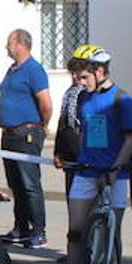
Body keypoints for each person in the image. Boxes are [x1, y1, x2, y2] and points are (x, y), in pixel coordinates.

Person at [60, 46, 132, 264]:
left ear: (101, 71)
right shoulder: (83, 98)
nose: (79, 82)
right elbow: (84, 131)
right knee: (75, 231)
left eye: (84, 77)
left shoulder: (122, 99)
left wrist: (116, 169)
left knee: (112, 232)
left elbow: (131, 138)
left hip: (116, 174)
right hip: (86, 172)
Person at [0, 28, 52, 247]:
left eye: (9, 43)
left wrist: (42, 126)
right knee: (15, 183)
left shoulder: (33, 70)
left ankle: (38, 230)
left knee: (29, 183)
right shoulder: (12, 70)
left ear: (21, 44)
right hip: (9, 135)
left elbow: (46, 104)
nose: (6, 47)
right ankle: (21, 227)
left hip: (26, 134)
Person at [52, 52, 90, 195]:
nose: (74, 77)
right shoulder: (69, 92)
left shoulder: (90, 93)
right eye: (72, 73)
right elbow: (63, 123)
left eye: (77, 73)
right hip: (69, 154)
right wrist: (58, 151)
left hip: (85, 153)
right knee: (72, 195)